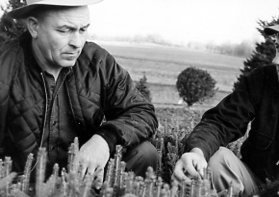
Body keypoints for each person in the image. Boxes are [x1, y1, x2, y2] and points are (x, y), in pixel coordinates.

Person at [0, 0, 159, 185]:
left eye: (83, 30)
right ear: (34, 27)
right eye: (64, 30)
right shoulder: (4, 66)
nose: (77, 43)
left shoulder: (98, 62)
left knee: (144, 152)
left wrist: (104, 140)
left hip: (83, 184)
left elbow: (142, 112)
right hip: (17, 186)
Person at [173, 24, 279, 196]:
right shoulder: (263, 78)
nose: (276, 60)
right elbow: (221, 122)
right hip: (257, 181)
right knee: (217, 158)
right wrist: (197, 152)